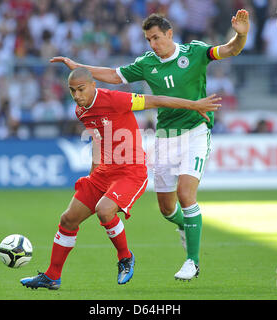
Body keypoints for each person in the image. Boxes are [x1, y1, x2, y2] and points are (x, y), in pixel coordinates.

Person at [49, 10, 249, 281]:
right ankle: (185, 225)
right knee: (167, 208)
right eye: (148, 39)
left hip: (195, 131)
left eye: (156, 37)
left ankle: (192, 260)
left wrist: (241, 33)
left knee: (186, 194)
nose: (153, 44)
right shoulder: (146, 63)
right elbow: (113, 75)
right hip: (166, 135)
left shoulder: (195, 52)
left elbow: (229, 50)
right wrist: (78, 67)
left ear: (169, 33)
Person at [20, 68, 222, 289]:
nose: (77, 95)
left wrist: (194, 105)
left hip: (130, 172)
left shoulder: (115, 99)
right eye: (72, 90)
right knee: (68, 219)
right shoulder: (81, 110)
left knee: (104, 210)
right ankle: (52, 276)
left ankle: (125, 258)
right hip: (103, 174)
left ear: (93, 85)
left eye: (81, 89)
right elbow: (98, 140)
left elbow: (156, 100)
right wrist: (92, 174)